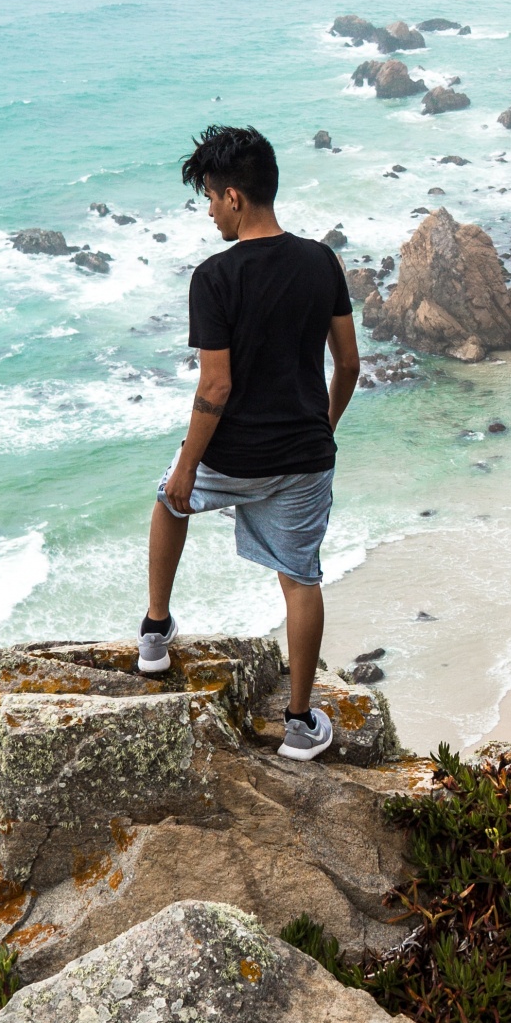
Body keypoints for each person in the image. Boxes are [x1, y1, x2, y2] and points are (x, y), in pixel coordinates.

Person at [138, 123, 360, 759]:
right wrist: (325, 425)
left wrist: (187, 467)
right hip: (303, 457)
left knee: (167, 501)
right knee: (300, 580)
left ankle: (155, 633)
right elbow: (347, 364)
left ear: (234, 196)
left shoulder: (213, 277)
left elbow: (216, 386)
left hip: (232, 456)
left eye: (209, 197)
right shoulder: (322, 260)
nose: (208, 210)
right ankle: (298, 724)